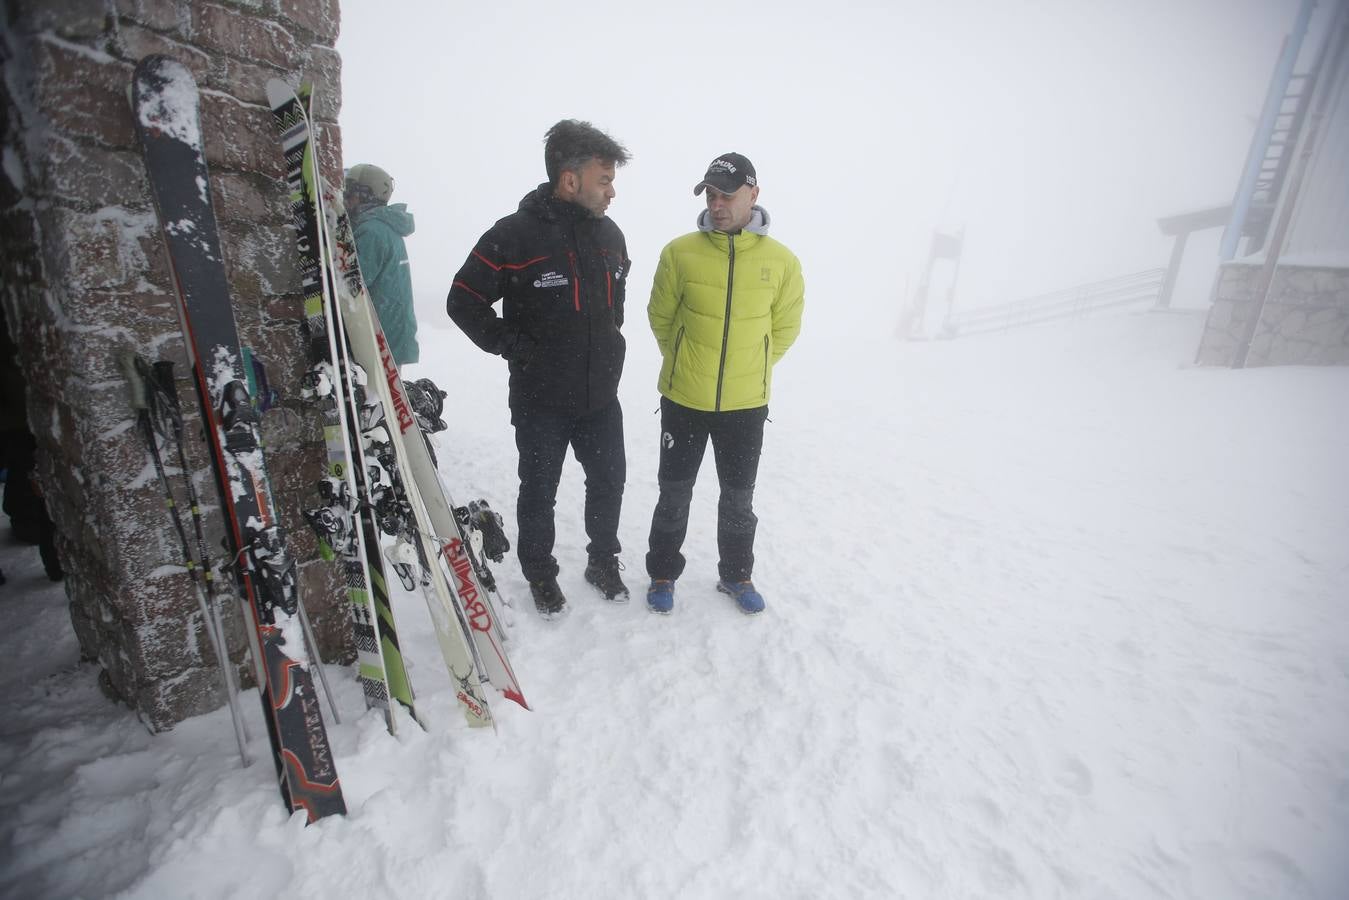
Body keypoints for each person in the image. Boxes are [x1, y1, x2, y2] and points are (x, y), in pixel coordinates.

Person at [446, 120, 632, 618]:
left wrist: (611, 346)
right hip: (540, 398)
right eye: (604, 180)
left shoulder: (611, 237)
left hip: (599, 397)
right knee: (539, 492)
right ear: (570, 179)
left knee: (610, 479)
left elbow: (616, 306)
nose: (612, 191)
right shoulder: (514, 235)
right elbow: (463, 301)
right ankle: (540, 574)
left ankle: (602, 560)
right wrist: (517, 347)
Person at [645, 152, 804, 616]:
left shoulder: (783, 262)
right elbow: (660, 316)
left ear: (753, 195)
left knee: (739, 499)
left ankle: (736, 575)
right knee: (674, 493)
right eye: (711, 195)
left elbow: (786, 327)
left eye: (726, 195)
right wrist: (685, 361)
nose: (717, 204)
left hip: (745, 405)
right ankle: (662, 572)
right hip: (683, 399)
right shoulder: (679, 252)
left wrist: (749, 369)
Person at [345, 163, 419, 369]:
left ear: (366, 196)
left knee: (377, 396)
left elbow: (353, 282)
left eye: (351, 193)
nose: (346, 200)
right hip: (390, 332)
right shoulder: (382, 227)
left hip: (381, 336)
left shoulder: (372, 231)